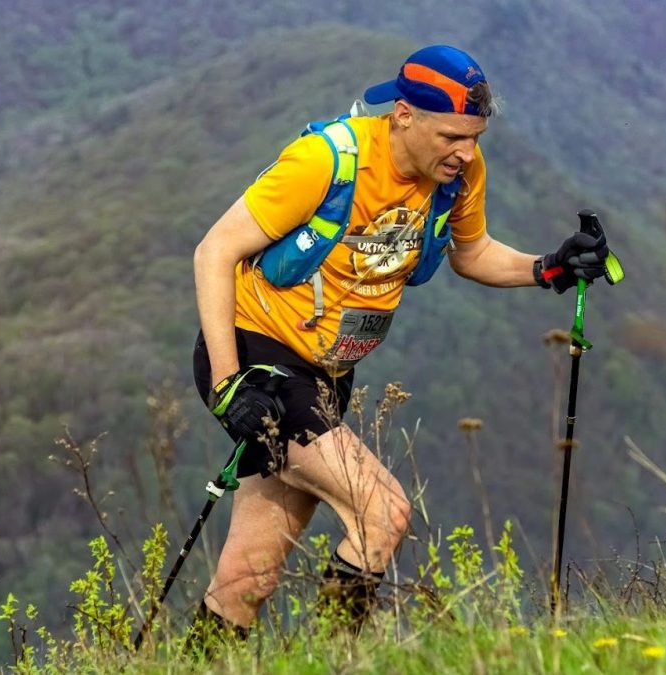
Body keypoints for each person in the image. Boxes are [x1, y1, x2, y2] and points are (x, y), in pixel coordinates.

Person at [189, 44, 610, 645]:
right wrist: (231, 384)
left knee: (247, 576)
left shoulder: (458, 172)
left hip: (328, 373)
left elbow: (474, 253)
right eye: (451, 136)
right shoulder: (326, 161)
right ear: (404, 115)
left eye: (475, 136)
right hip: (260, 363)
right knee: (381, 513)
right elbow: (214, 251)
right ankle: (335, 660)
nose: (465, 151)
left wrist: (548, 268)